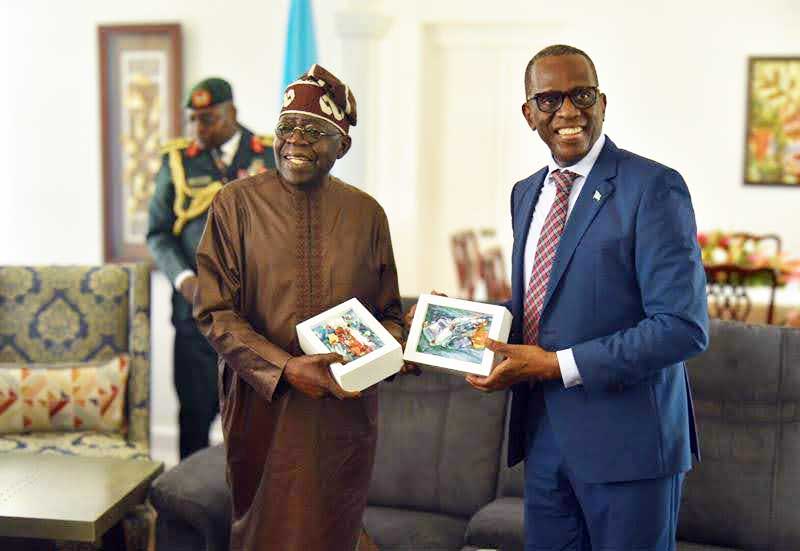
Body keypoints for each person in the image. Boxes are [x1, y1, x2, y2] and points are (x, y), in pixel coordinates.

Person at [465, 45, 709, 549]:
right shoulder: (525, 192)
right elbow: (538, 305)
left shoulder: (653, 187)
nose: (569, 112)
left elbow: (682, 327)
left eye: (582, 95)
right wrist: (468, 322)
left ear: (602, 101)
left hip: (631, 446)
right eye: (550, 99)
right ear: (529, 112)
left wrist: (554, 364)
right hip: (543, 437)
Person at [193, 65, 405, 551]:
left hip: (343, 413)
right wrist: (286, 368)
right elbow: (214, 312)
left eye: (314, 131)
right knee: (263, 535)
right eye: (287, 128)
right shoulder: (235, 204)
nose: (296, 141)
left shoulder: (366, 213)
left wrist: (397, 344)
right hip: (262, 409)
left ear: (343, 145)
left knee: (335, 531)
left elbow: (389, 311)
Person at [147, 77, 276, 459]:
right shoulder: (177, 161)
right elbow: (157, 233)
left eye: (208, 119)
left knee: (256, 419)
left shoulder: (270, 155)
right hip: (196, 313)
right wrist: (184, 280)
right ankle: (187, 511)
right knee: (195, 414)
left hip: (256, 315)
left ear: (231, 113)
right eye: (193, 120)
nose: (198, 129)